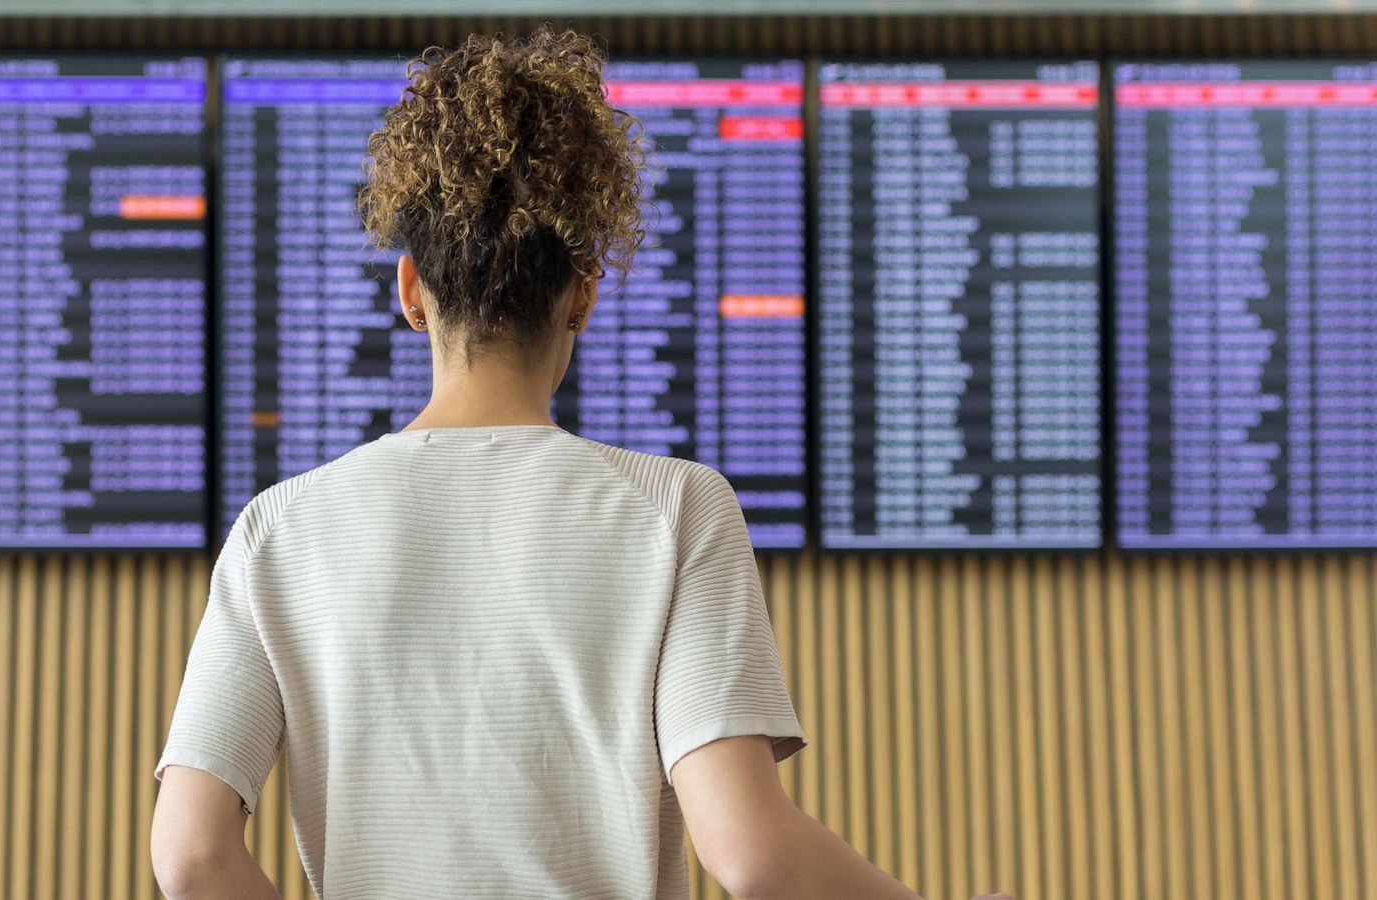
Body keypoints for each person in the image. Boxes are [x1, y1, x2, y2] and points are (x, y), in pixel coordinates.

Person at [150, 27, 1013, 900]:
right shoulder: (677, 508)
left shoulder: (281, 529)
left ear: (411, 289)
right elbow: (753, 853)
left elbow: (189, 857)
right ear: (585, 293)